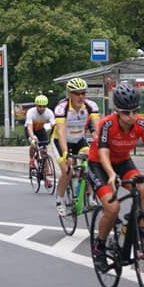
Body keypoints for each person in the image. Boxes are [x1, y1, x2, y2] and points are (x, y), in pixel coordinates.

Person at [87, 82, 144, 271]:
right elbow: (103, 151)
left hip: (123, 161)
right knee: (112, 207)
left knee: (141, 188)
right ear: (117, 111)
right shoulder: (107, 124)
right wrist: (111, 174)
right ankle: (99, 246)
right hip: (99, 164)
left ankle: (140, 235)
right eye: (126, 113)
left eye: (135, 111)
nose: (131, 116)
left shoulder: (141, 123)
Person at [52, 78, 100, 216]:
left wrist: (102, 145)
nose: (80, 96)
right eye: (76, 93)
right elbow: (61, 131)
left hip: (79, 140)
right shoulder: (62, 108)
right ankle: (60, 199)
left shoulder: (91, 106)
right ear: (69, 94)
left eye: (83, 93)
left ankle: (89, 196)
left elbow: (97, 127)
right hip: (61, 141)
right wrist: (65, 153)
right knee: (67, 171)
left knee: (91, 162)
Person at [24, 94, 55, 170]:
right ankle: (31, 160)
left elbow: (54, 126)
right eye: (40, 106)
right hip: (30, 129)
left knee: (44, 150)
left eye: (44, 106)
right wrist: (32, 137)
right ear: (36, 105)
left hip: (40, 129)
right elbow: (29, 127)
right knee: (34, 144)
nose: (42, 108)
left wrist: (54, 136)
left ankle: (46, 170)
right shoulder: (31, 112)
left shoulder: (49, 112)